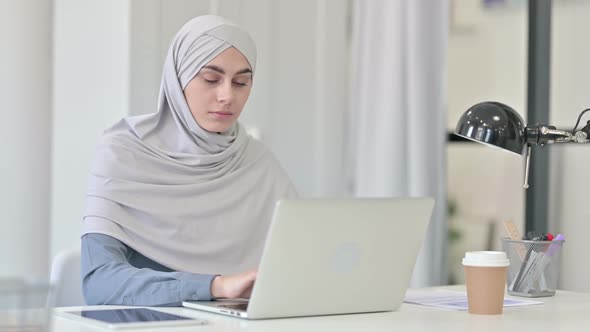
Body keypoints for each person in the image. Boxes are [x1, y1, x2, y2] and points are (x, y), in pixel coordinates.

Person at [81, 15, 297, 306]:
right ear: (178, 78)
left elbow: (300, 262)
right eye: (211, 79)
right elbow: (100, 283)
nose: (226, 96)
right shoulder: (123, 152)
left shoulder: (258, 162)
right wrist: (215, 286)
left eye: (241, 82)